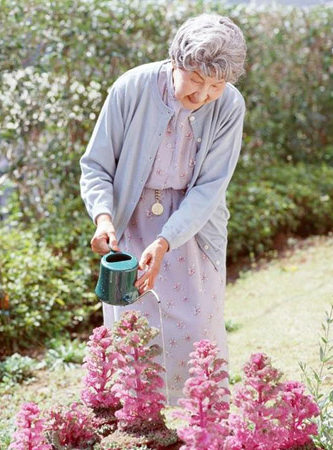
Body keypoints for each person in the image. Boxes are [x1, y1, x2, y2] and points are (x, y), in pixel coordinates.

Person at [80, 13, 246, 405]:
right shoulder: (131, 87)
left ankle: (203, 426)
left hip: (191, 228)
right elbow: (97, 165)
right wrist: (103, 217)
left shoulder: (230, 107)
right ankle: (141, 422)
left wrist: (166, 240)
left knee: (197, 328)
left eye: (216, 85)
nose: (203, 94)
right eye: (195, 80)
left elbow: (209, 187)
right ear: (176, 62)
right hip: (130, 223)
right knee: (135, 331)